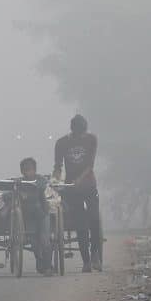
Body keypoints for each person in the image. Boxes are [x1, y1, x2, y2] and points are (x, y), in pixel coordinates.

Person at [53, 114, 101, 273]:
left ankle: (95, 253)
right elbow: (58, 165)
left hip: (89, 185)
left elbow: (90, 165)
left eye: (83, 133)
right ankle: (86, 261)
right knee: (81, 224)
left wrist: (79, 179)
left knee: (94, 219)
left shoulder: (91, 139)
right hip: (72, 189)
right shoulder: (62, 143)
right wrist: (56, 178)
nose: (81, 135)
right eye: (78, 133)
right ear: (72, 130)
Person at [18, 158, 52, 276]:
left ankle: (48, 267)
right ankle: (40, 261)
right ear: (22, 171)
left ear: (35, 170)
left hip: (42, 214)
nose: (29, 172)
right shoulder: (20, 182)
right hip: (28, 216)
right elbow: (9, 193)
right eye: (26, 170)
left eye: (31, 169)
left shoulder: (41, 180)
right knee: (33, 242)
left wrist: (31, 188)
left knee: (44, 240)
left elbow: (42, 185)